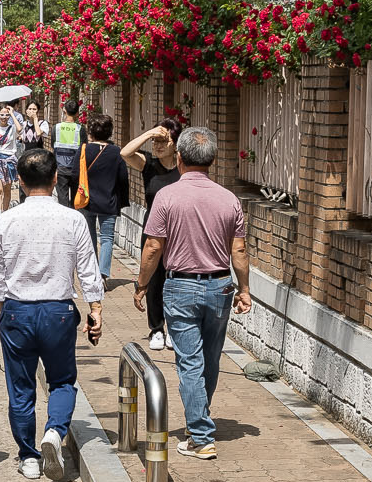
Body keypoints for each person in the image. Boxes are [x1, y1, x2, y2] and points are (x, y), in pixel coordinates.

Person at [0, 147, 104, 482]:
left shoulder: (6, 220)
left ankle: (28, 458)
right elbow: (88, 268)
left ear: (19, 182)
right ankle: (54, 431)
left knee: (21, 387)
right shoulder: (73, 219)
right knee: (63, 381)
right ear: (55, 178)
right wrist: (95, 307)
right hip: (59, 310)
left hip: (17, 310)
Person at [134, 126, 250, 463]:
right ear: (212, 159)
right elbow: (239, 251)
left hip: (180, 285)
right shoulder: (229, 199)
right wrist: (244, 290)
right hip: (220, 286)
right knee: (210, 358)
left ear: (180, 157)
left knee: (189, 362)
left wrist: (142, 284)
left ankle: (200, 435)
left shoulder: (167, 196)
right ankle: (199, 420)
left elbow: (154, 246)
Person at [120, 118, 183, 351]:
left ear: (175, 144)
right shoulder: (148, 165)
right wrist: (148, 134)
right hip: (153, 229)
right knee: (154, 279)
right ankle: (156, 328)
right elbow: (125, 152)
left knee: (175, 280)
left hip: (179, 231)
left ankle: (174, 329)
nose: (157, 146)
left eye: (162, 141)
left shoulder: (183, 166)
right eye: (155, 142)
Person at [77, 113, 129, 280]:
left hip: (87, 201)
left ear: (90, 132)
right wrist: (122, 200)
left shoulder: (84, 149)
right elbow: (123, 178)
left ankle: (92, 273)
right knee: (107, 238)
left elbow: (73, 174)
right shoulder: (116, 152)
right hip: (109, 201)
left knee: (90, 236)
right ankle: (103, 274)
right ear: (110, 132)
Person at [51, 101, 83, 207]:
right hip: (76, 170)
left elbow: (53, 146)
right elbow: (84, 149)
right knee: (75, 202)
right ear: (77, 113)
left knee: (62, 201)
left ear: (64, 110)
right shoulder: (80, 129)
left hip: (60, 169)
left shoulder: (56, 128)